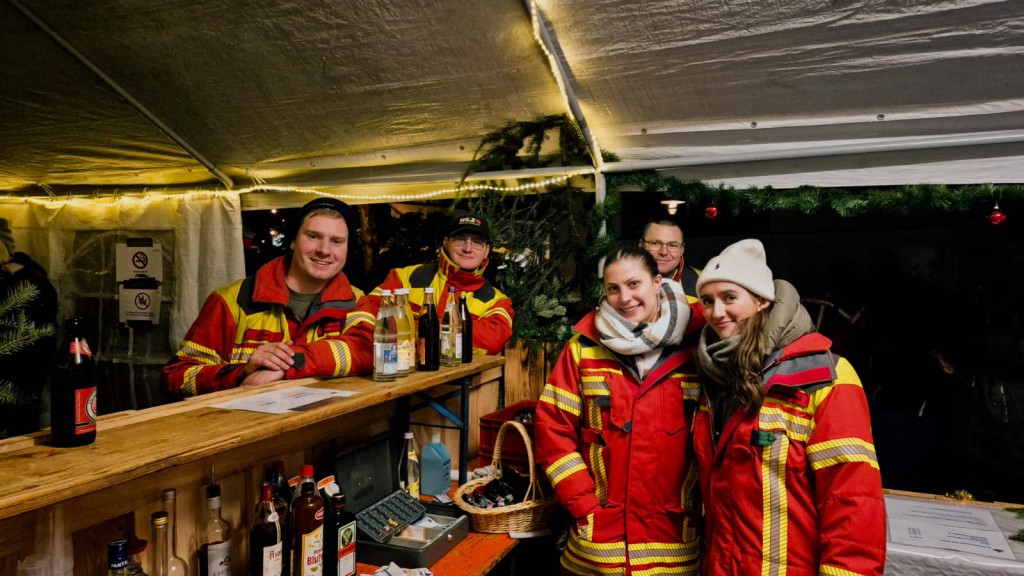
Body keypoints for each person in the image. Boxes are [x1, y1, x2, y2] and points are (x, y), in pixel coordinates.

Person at [692, 239, 885, 576]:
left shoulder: (825, 375)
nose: (716, 312)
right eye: (707, 301)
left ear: (762, 300)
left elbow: (852, 500)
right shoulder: (713, 377)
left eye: (729, 297)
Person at [535, 245, 703, 575]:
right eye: (613, 288)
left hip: (674, 543)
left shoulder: (699, 346)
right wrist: (585, 507)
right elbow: (553, 434)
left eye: (634, 284)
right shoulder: (583, 349)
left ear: (657, 282)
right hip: (598, 546)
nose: (624, 298)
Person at [162, 198, 375, 397]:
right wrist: (241, 372)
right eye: (313, 236)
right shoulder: (232, 300)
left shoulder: (357, 302)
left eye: (337, 241)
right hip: (243, 423)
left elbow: (369, 353)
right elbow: (175, 378)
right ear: (293, 241)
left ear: (348, 249)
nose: (324, 250)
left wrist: (290, 364)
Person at [367, 214, 513, 355]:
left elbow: (492, 340)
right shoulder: (404, 277)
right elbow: (371, 310)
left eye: (477, 242)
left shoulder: (497, 301)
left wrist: (416, 326)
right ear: (446, 243)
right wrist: (458, 329)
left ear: (486, 251)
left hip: (458, 372)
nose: (468, 248)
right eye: (460, 240)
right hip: (403, 368)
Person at [0, 219, 58, 437]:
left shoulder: (29, 284)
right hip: (23, 370)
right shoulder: (26, 278)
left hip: (21, 372)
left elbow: (35, 334)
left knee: (21, 428)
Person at [639, 218, 699, 302]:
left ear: (682, 250)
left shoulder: (701, 280)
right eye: (655, 244)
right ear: (641, 245)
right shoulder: (622, 278)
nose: (664, 252)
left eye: (672, 245)